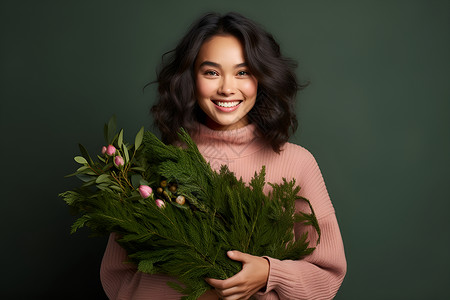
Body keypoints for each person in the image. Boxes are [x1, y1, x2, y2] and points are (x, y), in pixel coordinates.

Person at [100, 12, 346, 300]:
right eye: (211, 72)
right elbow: (118, 275)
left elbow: (327, 276)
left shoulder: (297, 163)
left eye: (242, 72)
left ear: (262, 78)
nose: (227, 88)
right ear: (190, 78)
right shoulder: (159, 166)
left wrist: (269, 273)